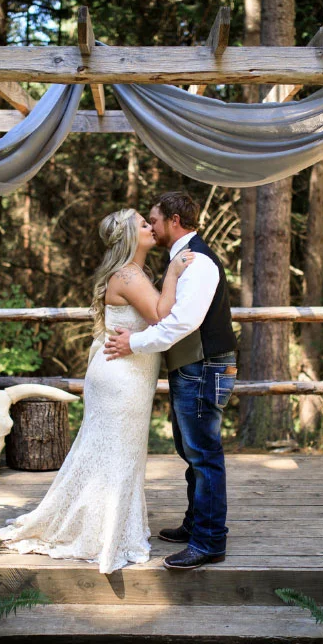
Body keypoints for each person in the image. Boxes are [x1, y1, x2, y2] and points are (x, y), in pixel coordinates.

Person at [0, 207, 195, 574]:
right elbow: (160, 314)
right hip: (120, 379)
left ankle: (106, 523)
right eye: (143, 224)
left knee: (121, 453)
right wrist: (175, 271)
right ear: (130, 236)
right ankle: (99, 531)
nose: (152, 227)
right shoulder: (128, 274)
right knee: (116, 453)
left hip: (129, 375)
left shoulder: (136, 272)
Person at [104, 191, 237, 570]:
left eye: (155, 219)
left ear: (174, 221)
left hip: (204, 367)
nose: (152, 226)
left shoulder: (198, 262)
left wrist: (135, 344)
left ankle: (209, 541)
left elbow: (182, 322)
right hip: (193, 367)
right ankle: (196, 524)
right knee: (191, 451)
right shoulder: (183, 259)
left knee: (204, 455)